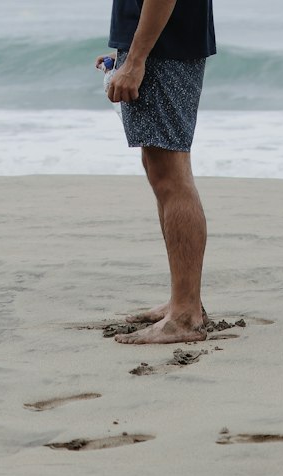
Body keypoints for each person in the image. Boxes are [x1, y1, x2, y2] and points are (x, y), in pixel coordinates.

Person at [97, 0, 217, 345]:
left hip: (165, 51)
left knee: (171, 176)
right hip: (161, 46)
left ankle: (185, 315)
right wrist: (124, 53)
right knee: (160, 169)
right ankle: (183, 300)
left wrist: (135, 60)